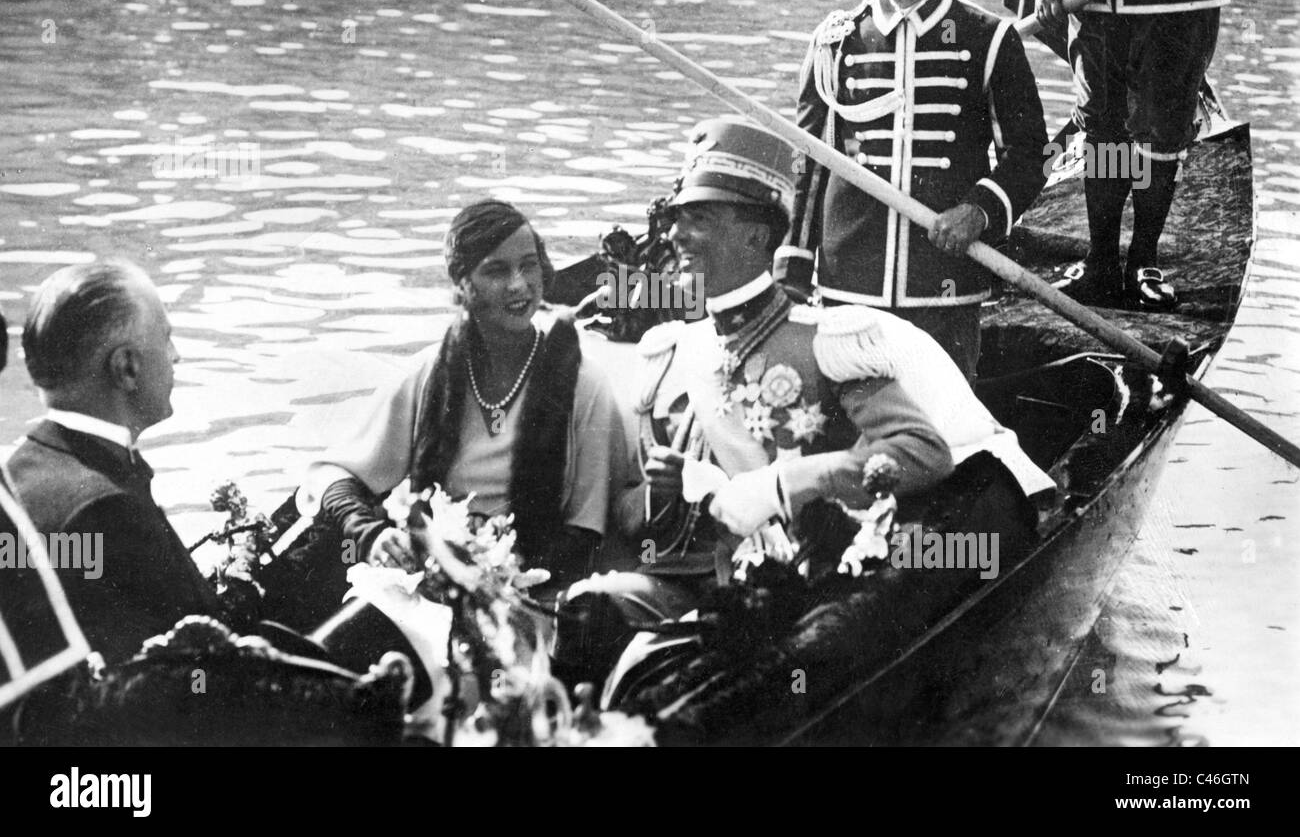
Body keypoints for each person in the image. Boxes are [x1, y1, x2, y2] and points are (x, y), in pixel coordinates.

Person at [561, 118, 1056, 675]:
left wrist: (778, 485)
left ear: (755, 236)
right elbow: (645, 522)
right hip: (740, 587)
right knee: (586, 616)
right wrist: (668, 491)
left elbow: (923, 450)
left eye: (697, 219)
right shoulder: (674, 352)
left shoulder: (829, 341)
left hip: (852, 586)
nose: (675, 236)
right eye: (677, 218)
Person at [293, 200, 630, 618]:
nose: (519, 286)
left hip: (529, 594)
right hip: (427, 578)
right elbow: (331, 475)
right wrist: (371, 535)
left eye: (529, 266)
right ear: (461, 285)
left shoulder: (584, 382)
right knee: (359, 631)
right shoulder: (431, 372)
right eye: (496, 271)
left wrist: (492, 572)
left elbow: (586, 531)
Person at [777, 0, 1049, 381]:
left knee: (944, 438)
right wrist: (794, 265)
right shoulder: (834, 42)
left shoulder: (989, 39)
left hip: (943, 288)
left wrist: (980, 210)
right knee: (846, 433)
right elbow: (809, 163)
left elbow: (1030, 155)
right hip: (849, 285)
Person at [1035, 0, 1277, 308]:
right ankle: (1100, 260)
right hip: (1095, 1)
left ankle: (1143, 259)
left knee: (1159, 138)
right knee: (1102, 134)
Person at [4, 259, 224, 666]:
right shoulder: (109, 510)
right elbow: (193, 681)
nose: (176, 356)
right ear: (127, 367)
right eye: (167, 338)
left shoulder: (19, 474)